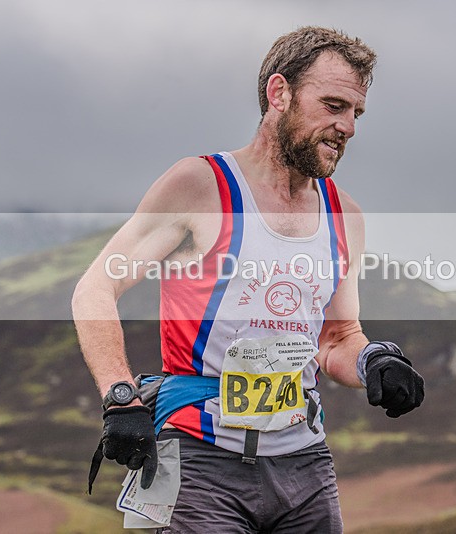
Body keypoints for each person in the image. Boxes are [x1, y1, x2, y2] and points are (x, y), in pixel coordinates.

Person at [72, 26, 425, 533]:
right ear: (279, 93)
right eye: (332, 106)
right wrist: (119, 395)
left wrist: (375, 363)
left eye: (356, 113)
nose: (347, 127)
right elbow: (95, 288)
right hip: (200, 461)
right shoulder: (200, 186)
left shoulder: (344, 214)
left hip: (305, 464)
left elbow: (338, 338)